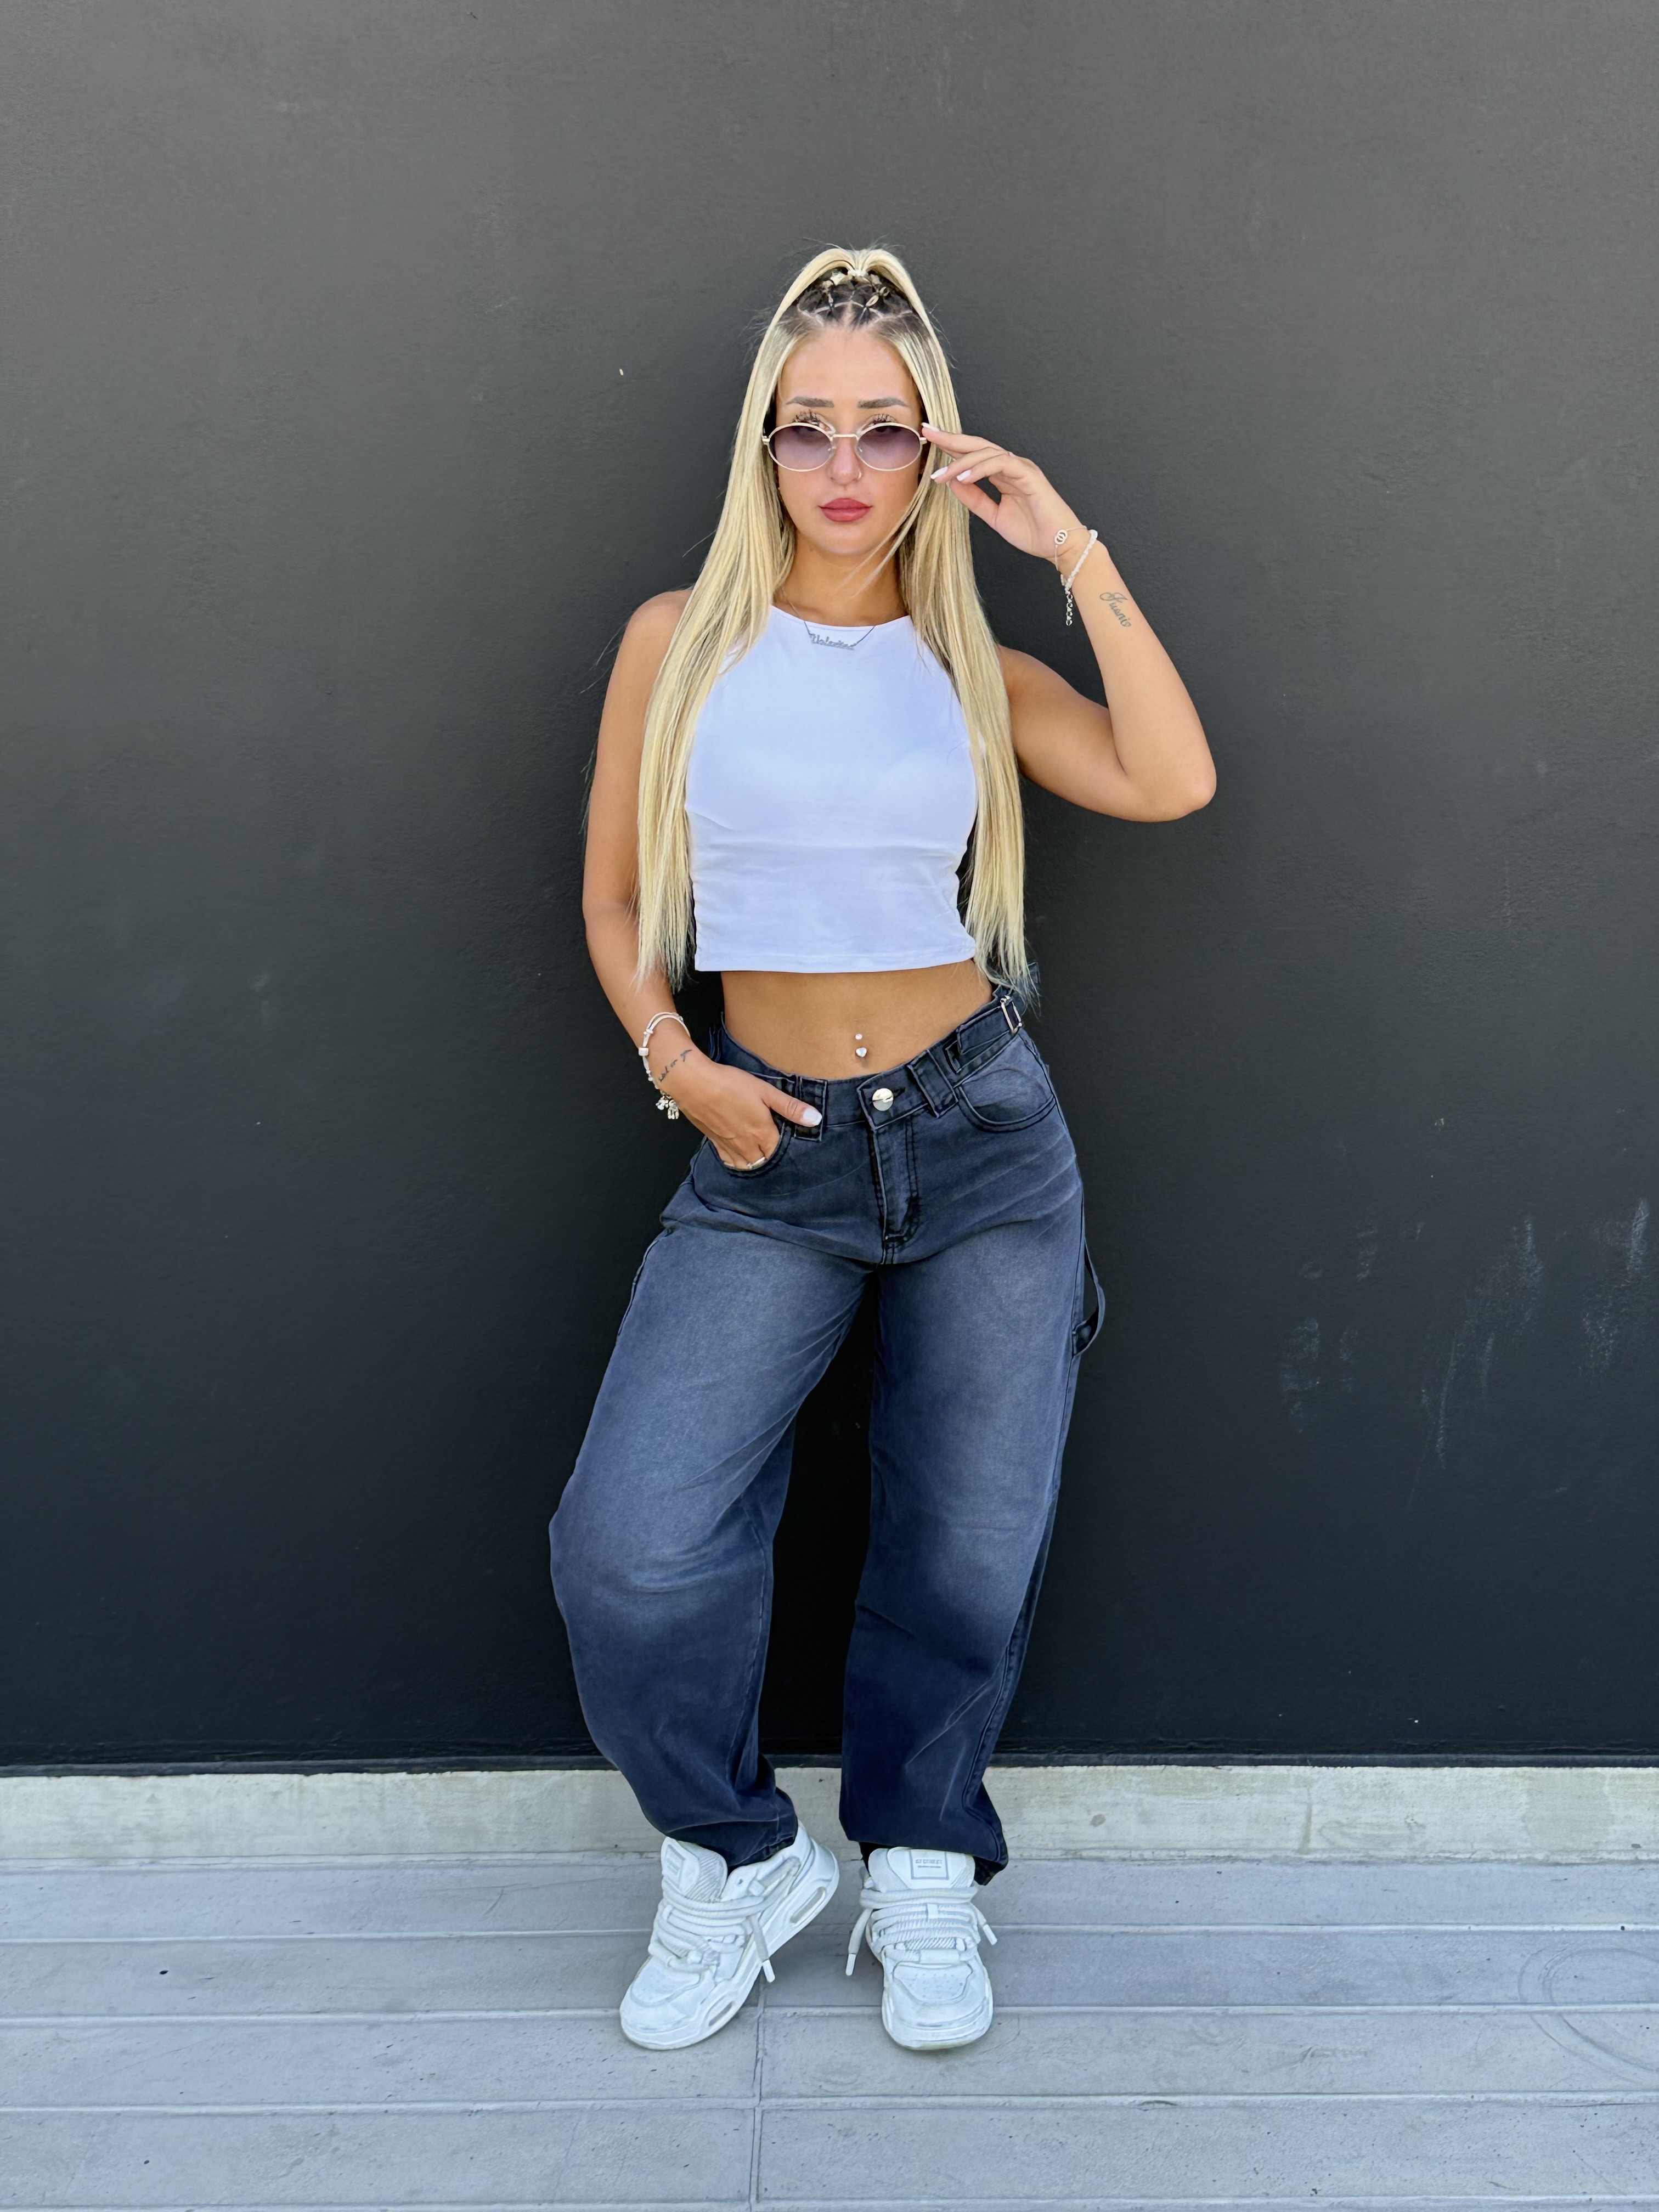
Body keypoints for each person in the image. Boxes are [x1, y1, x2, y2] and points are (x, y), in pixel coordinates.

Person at [550, 246, 1213, 2053]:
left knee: (967, 1551)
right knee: (630, 1547)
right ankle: (734, 1856)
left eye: (886, 431)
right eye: (811, 429)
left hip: (982, 1140)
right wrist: (676, 1059)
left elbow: (1171, 779)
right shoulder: (677, 645)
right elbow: (613, 902)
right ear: (763, 443)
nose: (845, 467)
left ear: (936, 450)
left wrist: (1069, 547)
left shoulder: (970, 666)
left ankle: (922, 1862)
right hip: (764, 1149)